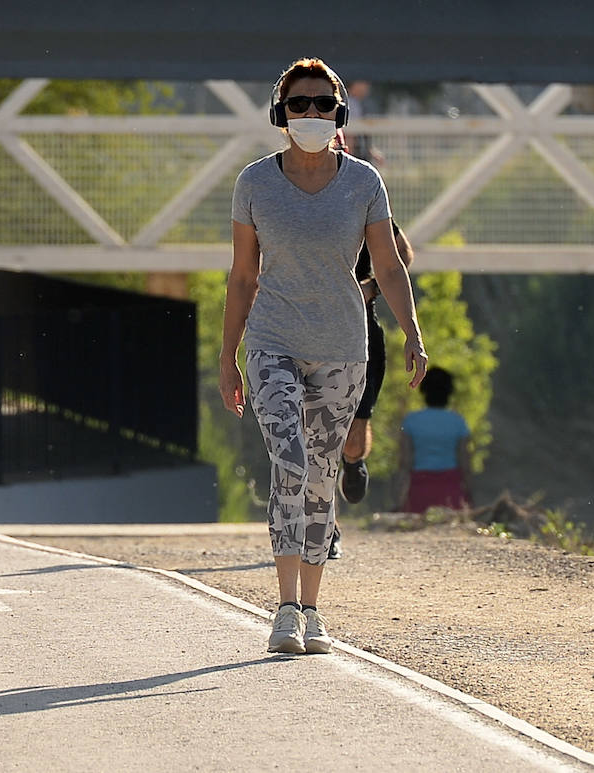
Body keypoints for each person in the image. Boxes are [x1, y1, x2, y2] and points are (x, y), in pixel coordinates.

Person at [220, 57, 427, 655]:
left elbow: (388, 264)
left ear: (339, 111)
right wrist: (227, 356)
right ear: (279, 113)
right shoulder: (255, 183)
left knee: (320, 475)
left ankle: (313, 611)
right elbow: (241, 277)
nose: (309, 113)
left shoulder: (363, 182)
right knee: (289, 461)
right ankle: (284, 608)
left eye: (320, 103)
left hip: (343, 346)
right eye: (297, 103)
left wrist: (412, 332)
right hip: (272, 342)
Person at [330, 221, 416, 557]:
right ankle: (327, 527)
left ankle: (353, 462)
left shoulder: (360, 193)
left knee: (351, 440)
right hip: (305, 332)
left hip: (361, 332)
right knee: (313, 439)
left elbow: (403, 255)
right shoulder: (290, 195)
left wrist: (371, 287)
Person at [396, 366, 472, 513]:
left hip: (419, 494)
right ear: (449, 393)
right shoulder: (458, 422)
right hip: (451, 494)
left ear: (423, 392)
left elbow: (404, 464)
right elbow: (465, 463)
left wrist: (400, 501)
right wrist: (470, 495)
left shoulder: (411, 421)